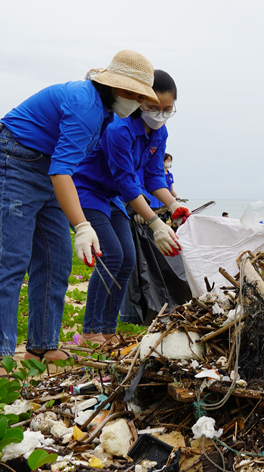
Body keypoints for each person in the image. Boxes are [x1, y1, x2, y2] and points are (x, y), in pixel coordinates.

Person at [0, 50, 157, 377]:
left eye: (138, 95)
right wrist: (83, 225)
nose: (133, 101)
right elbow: (63, 170)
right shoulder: (85, 105)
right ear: (112, 85)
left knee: (56, 259)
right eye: (129, 92)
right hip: (10, 162)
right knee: (10, 259)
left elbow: (64, 167)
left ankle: (42, 344)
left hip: (45, 171)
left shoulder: (106, 114)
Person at [73, 69, 189, 345]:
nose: (159, 114)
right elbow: (127, 183)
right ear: (140, 101)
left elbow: (153, 177)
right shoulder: (119, 129)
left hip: (112, 197)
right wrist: (155, 222)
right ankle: (91, 330)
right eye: (153, 107)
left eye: (167, 109)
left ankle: (107, 329)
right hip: (88, 191)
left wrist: (172, 205)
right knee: (111, 255)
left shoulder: (159, 133)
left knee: (127, 258)